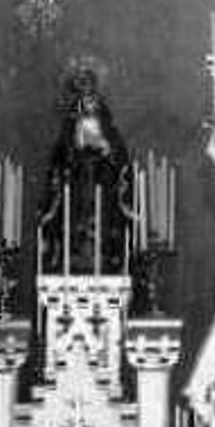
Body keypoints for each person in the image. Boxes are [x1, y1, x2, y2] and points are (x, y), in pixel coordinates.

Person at [37, 58, 132, 274]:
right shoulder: (70, 125)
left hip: (102, 182)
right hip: (76, 183)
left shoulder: (107, 126)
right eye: (82, 86)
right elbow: (60, 159)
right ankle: (73, 256)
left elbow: (119, 156)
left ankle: (104, 256)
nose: (88, 95)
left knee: (102, 221)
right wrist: (74, 153)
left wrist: (107, 150)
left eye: (90, 86)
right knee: (75, 219)